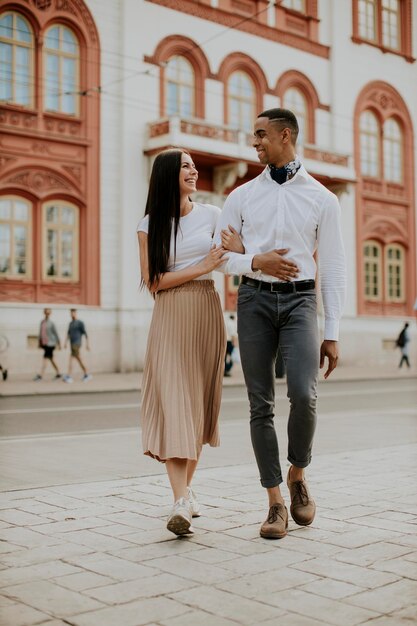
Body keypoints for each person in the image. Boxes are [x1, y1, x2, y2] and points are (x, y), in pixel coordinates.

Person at [216, 108, 346, 539]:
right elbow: (220, 256)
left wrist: (332, 332)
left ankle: (298, 474)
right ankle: (274, 502)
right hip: (252, 300)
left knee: (305, 395)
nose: (254, 143)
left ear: (284, 135)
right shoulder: (239, 196)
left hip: (301, 303)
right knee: (260, 403)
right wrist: (256, 258)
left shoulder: (323, 199)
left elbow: (333, 265)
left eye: (260, 135)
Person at [137, 148, 226, 536]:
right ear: (168, 175)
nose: (193, 171)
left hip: (207, 311)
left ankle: (185, 493)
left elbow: (231, 255)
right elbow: (154, 282)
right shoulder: (149, 224)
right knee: (176, 405)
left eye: (193, 165)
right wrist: (202, 266)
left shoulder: (213, 215)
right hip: (170, 315)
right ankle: (179, 503)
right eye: (185, 166)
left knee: (198, 409)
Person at [63, 309, 92, 383]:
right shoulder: (70, 323)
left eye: (73, 313)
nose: (72, 314)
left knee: (72, 359)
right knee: (78, 359)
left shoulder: (80, 323)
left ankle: (69, 375)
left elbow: (85, 334)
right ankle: (86, 373)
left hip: (77, 343)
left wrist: (87, 344)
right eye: (71, 313)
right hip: (72, 344)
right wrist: (65, 343)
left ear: (76, 313)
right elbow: (68, 334)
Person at [34, 308, 62, 381]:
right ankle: (59, 372)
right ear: (44, 313)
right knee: (51, 359)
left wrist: (59, 343)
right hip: (45, 343)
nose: (47, 314)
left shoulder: (51, 323)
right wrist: (39, 343)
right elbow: (40, 333)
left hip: (51, 344)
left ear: (50, 314)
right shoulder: (42, 322)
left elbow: (56, 333)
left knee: (45, 359)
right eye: (46, 312)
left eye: (48, 313)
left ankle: (41, 375)